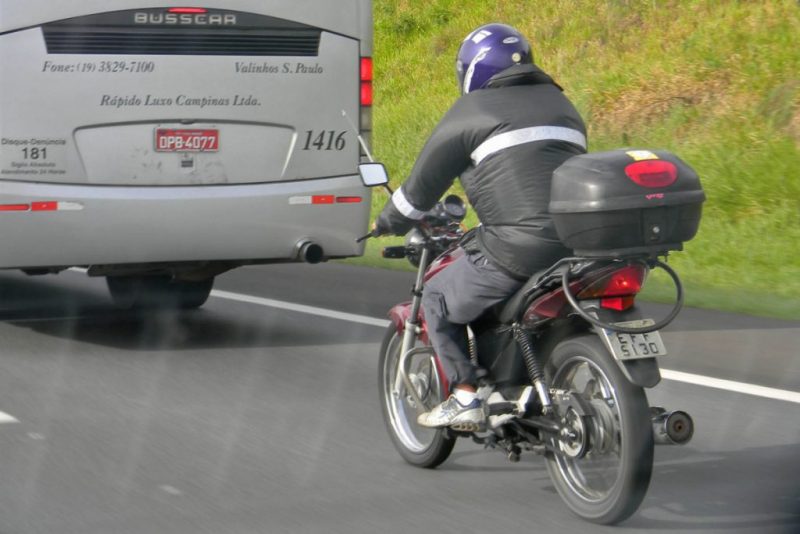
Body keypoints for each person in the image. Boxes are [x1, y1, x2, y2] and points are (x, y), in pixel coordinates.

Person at [373, 23, 587, 430]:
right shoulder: (563, 105)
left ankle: (466, 395)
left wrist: (387, 221)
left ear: (472, 70)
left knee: (436, 292)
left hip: (515, 249)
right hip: (578, 246)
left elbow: (419, 190)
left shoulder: (472, 112)